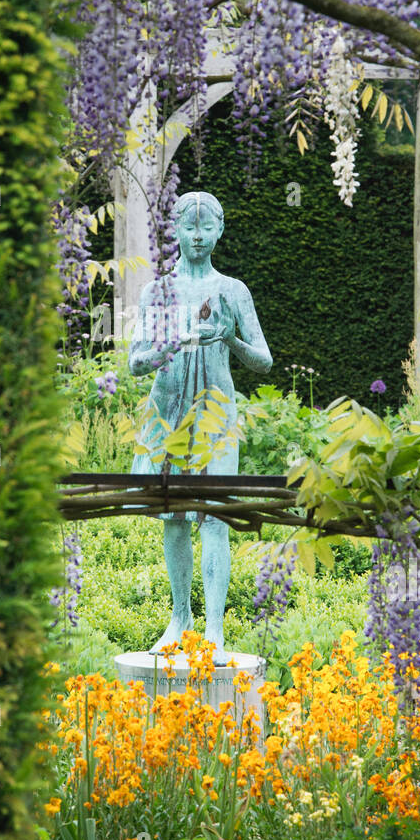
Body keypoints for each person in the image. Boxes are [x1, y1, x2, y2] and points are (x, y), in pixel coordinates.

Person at [128, 190, 272, 665]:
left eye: (205, 226)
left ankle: (214, 628)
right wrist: (165, 348)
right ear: (174, 230)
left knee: (212, 517)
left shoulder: (233, 290)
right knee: (172, 518)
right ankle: (180, 619)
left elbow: (264, 361)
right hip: (167, 413)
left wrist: (229, 336)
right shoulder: (157, 292)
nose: (196, 235)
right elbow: (135, 363)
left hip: (216, 415)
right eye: (188, 227)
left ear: (220, 230)